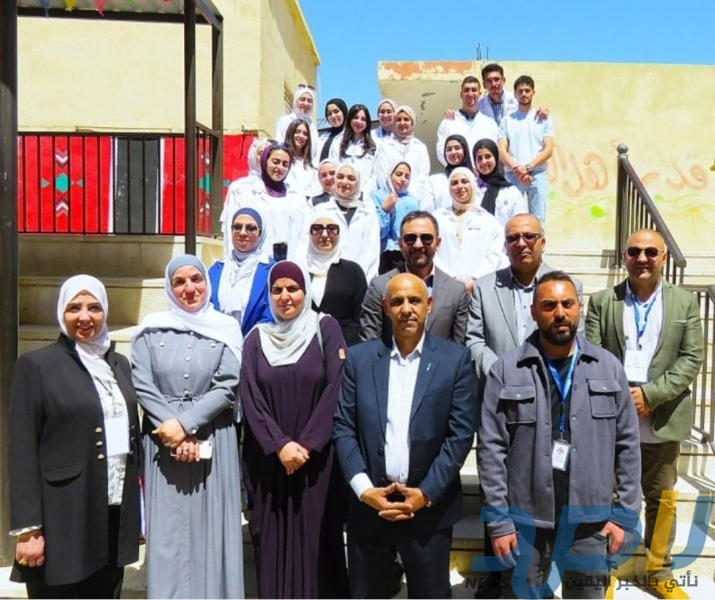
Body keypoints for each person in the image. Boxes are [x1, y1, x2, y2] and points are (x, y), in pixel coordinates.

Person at [478, 271, 642, 599]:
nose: (560, 313)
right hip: (526, 525)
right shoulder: (506, 371)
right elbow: (490, 450)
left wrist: (625, 514)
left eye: (567, 304)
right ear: (534, 311)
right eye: (549, 305)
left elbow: (628, 445)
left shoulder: (608, 368)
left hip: (590, 524)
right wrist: (499, 521)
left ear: (580, 307)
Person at [333, 272, 477, 599]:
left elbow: (459, 435)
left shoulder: (455, 360)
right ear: (385, 307)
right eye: (397, 301)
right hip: (370, 509)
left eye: (414, 300)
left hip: (428, 513)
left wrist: (425, 493)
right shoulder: (359, 359)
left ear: (429, 305)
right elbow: (343, 427)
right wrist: (365, 490)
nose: (406, 309)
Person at [585, 229, 703, 600]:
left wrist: (650, 396)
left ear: (664, 257)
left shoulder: (685, 302)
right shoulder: (603, 302)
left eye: (651, 252)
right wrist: (624, 397)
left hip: (663, 416)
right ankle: (604, 571)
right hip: (612, 418)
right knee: (608, 497)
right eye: (634, 251)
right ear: (624, 257)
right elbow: (592, 355)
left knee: (662, 497)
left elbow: (691, 358)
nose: (642, 258)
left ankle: (659, 570)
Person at [9, 275, 141, 599]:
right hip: (64, 513)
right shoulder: (37, 366)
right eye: (74, 308)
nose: (85, 317)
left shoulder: (118, 364)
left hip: (112, 509)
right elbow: (22, 450)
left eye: (94, 307)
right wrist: (28, 529)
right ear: (61, 312)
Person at [131, 255, 244, 599]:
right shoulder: (150, 328)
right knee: (168, 533)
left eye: (196, 279)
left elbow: (228, 384)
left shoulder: (225, 327)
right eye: (179, 282)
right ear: (169, 287)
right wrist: (173, 430)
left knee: (212, 529)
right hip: (162, 439)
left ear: (207, 283)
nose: (189, 288)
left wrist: (186, 424)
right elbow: (142, 383)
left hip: (213, 437)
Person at [240, 261, 349, 599]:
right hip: (270, 460)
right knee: (272, 541)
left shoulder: (325, 328)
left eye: (293, 289)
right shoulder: (256, 338)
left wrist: (307, 444)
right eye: (277, 290)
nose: (284, 296)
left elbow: (336, 388)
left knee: (318, 540)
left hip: (317, 460)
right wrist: (280, 445)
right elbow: (250, 396)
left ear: (306, 291)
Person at [467, 213, 584, 384]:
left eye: (529, 236)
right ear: (505, 247)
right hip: (498, 389)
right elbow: (474, 341)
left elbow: (576, 339)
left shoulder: (569, 287)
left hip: (550, 387)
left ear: (543, 243)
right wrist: (501, 373)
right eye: (513, 238)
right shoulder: (483, 288)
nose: (521, 244)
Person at [360, 210, 469, 346]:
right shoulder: (380, 287)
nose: (418, 245)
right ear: (400, 244)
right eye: (410, 238)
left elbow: (459, 349)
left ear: (438, 243)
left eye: (426, 238)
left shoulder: (456, 291)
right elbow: (369, 346)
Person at [297, 163, 381, 281]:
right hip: (324, 278)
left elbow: (371, 252)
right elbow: (305, 242)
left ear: (358, 183)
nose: (344, 182)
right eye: (340, 177)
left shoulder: (368, 214)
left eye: (351, 178)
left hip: (359, 278)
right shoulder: (320, 210)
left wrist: (360, 280)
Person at [433, 167, 506, 292]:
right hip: (444, 287)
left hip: (479, 287)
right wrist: (451, 278)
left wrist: (474, 280)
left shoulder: (488, 220)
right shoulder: (437, 217)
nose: (459, 186)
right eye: (454, 183)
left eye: (464, 181)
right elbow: (431, 252)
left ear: (472, 185)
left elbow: (495, 255)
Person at [229, 143, 307, 258]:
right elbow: (234, 231)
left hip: (287, 261)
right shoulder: (247, 193)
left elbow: (301, 235)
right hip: (254, 260)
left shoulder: (297, 198)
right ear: (265, 162)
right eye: (275, 162)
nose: (280, 167)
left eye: (285, 164)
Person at [208, 207, 275, 335]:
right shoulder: (217, 269)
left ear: (261, 233)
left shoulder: (270, 270)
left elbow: (272, 313)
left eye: (251, 228)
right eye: (237, 227)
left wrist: (250, 340)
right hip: (218, 340)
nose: (243, 233)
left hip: (255, 340)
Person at [498, 75, 554, 224]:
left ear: (533, 92)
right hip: (512, 175)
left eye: (527, 90)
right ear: (515, 94)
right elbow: (502, 150)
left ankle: (538, 242)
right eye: (520, 91)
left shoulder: (543, 118)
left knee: (538, 220)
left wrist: (528, 167)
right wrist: (517, 169)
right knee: (510, 219)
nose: (523, 94)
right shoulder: (507, 120)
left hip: (538, 174)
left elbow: (548, 149)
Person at [307, 210, 368, 346]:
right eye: (317, 229)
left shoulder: (353, 271)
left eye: (331, 229)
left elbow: (361, 317)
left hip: (345, 346)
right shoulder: (300, 270)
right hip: (306, 347)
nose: (324, 235)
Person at [221, 136, 270, 253]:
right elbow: (231, 223)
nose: (264, 157)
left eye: (268, 155)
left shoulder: (280, 189)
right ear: (252, 155)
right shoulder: (239, 188)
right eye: (260, 153)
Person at [435, 76, 498, 167]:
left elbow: (494, 151)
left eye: (474, 90)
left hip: (483, 173)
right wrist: (460, 170)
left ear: (479, 94)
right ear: (461, 94)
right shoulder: (448, 122)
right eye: (466, 90)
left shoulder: (490, 124)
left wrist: (480, 169)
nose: (470, 94)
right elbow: (441, 151)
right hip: (457, 173)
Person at [371, 160, 421, 273]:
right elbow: (377, 232)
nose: (403, 179)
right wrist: (385, 209)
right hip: (386, 253)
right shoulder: (377, 196)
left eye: (407, 176)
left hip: (409, 252)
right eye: (399, 174)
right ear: (390, 175)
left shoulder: (412, 200)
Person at [374, 105, 430, 201]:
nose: (402, 123)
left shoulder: (420, 147)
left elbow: (423, 176)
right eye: (398, 119)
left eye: (406, 119)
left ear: (412, 122)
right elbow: (382, 174)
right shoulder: (385, 146)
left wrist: (409, 197)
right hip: (389, 199)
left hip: (414, 199)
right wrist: (392, 197)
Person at [472, 138, 528, 227]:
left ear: (496, 158)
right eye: (479, 158)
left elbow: (520, 222)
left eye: (487, 156)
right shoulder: (470, 189)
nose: (483, 161)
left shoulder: (511, 192)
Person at [329, 103, 378, 195]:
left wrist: (363, 194)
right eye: (355, 117)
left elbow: (374, 176)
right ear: (349, 119)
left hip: (364, 196)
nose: (359, 122)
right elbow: (333, 169)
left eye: (363, 119)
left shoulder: (373, 146)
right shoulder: (338, 143)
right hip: (341, 194)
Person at [422, 133, 473, 213]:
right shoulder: (434, 181)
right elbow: (427, 211)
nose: (453, 152)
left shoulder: (475, 179)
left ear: (465, 150)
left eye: (457, 148)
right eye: (449, 149)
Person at [275, 84, 319, 159]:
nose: (306, 103)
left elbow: (315, 151)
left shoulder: (312, 126)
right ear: (296, 101)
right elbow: (279, 144)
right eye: (302, 99)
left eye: (309, 101)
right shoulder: (284, 121)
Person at [284, 118, 318, 199]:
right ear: (290, 133)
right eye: (297, 132)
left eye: (305, 134)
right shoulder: (283, 160)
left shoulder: (311, 164)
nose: (301, 136)